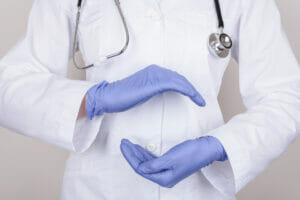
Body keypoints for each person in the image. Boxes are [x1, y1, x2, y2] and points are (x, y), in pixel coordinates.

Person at [0, 0, 299, 199]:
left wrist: (220, 146)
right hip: (98, 190)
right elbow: (8, 87)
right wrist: (95, 98)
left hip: (197, 190)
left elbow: (286, 96)